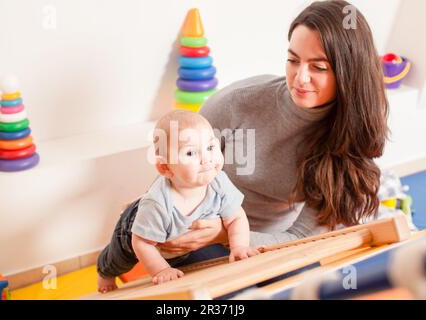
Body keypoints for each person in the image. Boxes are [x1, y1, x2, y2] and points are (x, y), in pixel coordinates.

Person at [157, 0, 388, 258]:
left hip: (273, 242)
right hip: (199, 231)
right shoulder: (236, 103)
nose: (300, 78)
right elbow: (171, 179)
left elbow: (302, 238)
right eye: (293, 60)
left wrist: (229, 235)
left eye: (318, 67)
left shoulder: (350, 134)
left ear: (349, 73)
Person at [97, 110, 260, 293]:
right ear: (165, 167)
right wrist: (162, 270)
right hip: (134, 228)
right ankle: (104, 273)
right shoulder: (158, 204)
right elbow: (141, 242)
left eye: (210, 147)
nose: (206, 158)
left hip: (179, 236)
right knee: (119, 259)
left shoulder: (219, 181)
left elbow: (236, 218)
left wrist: (239, 246)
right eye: (191, 153)